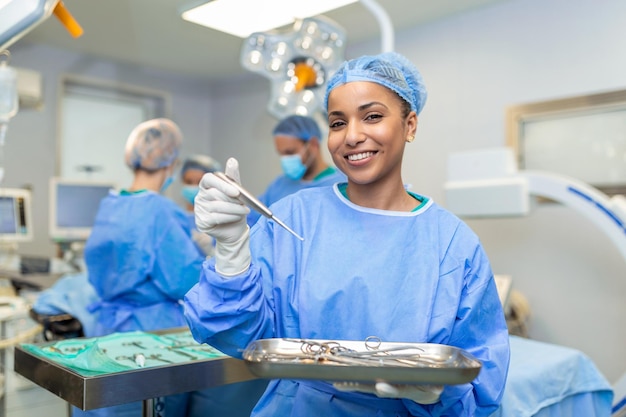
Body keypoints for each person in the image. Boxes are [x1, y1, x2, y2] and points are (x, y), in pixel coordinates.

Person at [184, 52, 510, 416]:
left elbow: (481, 382)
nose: (352, 136)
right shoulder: (298, 216)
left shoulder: (453, 244)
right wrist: (231, 251)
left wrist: (440, 394)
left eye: (372, 116)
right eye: (338, 123)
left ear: (411, 125)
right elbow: (240, 336)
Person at [76, 118, 205, 417]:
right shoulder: (159, 210)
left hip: (105, 330)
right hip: (149, 334)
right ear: (170, 163)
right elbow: (184, 279)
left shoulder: (110, 204)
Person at [246, 114, 346, 226]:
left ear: (313, 144)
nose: (285, 159)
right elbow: (252, 219)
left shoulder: (341, 184)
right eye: (281, 154)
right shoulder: (279, 185)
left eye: (290, 152)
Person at [180, 154, 223, 257]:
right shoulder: (177, 218)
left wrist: (211, 252)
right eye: (189, 182)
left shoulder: (220, 220)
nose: (193, 186)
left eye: (199, 182)